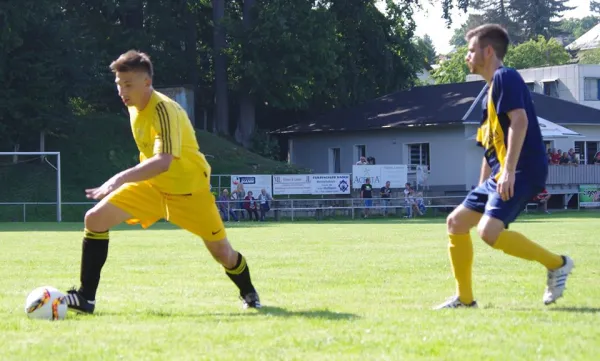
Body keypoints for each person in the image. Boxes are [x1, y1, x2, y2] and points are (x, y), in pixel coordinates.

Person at [62, 50, 261, 314]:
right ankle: (86, 298)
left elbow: (164, 160)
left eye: (128, 84)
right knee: (95, 219)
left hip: (190, 192)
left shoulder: (164, 109)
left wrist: (120, 178)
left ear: (147, 82)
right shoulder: (133, 106)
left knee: (223, 253)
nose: (122, 91)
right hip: (153, 187)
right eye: (119, 85)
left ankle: (248, 292)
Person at [436, 24, 573, 309]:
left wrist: (509, 170)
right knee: (456, 222)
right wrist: (480, 189)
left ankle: (558, 264)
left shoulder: (505, 76)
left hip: (523, 169)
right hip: (501, 173)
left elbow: (520, 121)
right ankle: (464, 299)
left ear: (488, 51)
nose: (467, 56)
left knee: (488, 232)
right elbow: (490, 151)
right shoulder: (489, 93)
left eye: (471, 50)